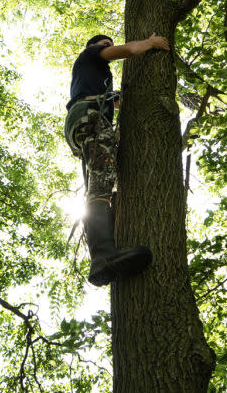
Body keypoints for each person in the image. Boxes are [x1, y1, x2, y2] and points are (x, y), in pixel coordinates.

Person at [63, 32, 170, 286]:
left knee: (97, 186)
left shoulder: (98, 80)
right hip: (89, 116)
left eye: (110, 44)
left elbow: (122, 102)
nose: (108, 47)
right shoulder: (90, 56)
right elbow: (130, 50)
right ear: (92, 47)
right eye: (104, 44)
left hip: (85, 121)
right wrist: (151, 43)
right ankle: (103, 256)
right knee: (101, 185)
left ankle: (106, 251)